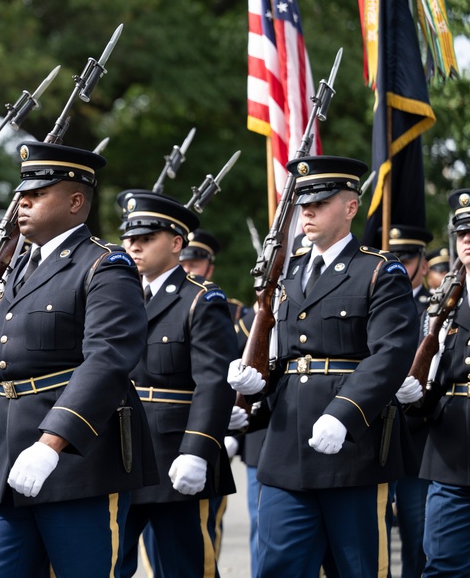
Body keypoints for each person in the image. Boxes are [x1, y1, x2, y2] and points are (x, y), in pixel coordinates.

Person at [0, 142, 157, 576]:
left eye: (37, 194)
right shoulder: (14, 267)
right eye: (23, 193)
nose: (23, 202)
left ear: (75, 202)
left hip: (76, 463)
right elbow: (5, 360)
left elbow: (107, 360)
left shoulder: (105, 266)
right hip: (2, 460)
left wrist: (53, 443)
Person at [228, 156, 418, 578]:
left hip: (352, 447)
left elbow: (390, 353)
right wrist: (254, 384)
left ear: (350, 207)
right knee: (277, 568)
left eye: (320, 202)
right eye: (303, 203)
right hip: (286, 447)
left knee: (357, 568)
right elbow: (284, 354)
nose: (307, 211)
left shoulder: (377, 271)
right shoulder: (289, 271)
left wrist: (345, 412)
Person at [117, 196, 238, 577]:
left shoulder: (201, 299)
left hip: (173, 453)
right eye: (129, 237)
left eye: (147, 237)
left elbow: (213, 382)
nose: (134, 245)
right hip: (120, 452)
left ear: (175, 243)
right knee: (109, 562)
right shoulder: (117, 296)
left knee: (184, 566)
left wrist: (198, 450)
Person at [395, 191, 470, 576]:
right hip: (450, 454)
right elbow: (433, 377)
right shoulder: (442, 305)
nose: (468, 239)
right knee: (441, 564)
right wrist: (416, 396)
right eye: (462, 233)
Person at [180, 228, 254, 561]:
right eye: (182, 261)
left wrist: (232, 429)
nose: (187, 269)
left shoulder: (233, 313)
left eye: (194, 262)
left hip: (210, 428)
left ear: (209, 266)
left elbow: (239, 377)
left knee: (201, 540)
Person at [377, 224, 432, 578]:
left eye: (408, 258)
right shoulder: (370, 300)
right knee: (370, 540)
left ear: (423, 265)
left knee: (418, 542)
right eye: (394, 257)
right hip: (374, 435)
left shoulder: (436, 307)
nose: (400, 265)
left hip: (418, 440)